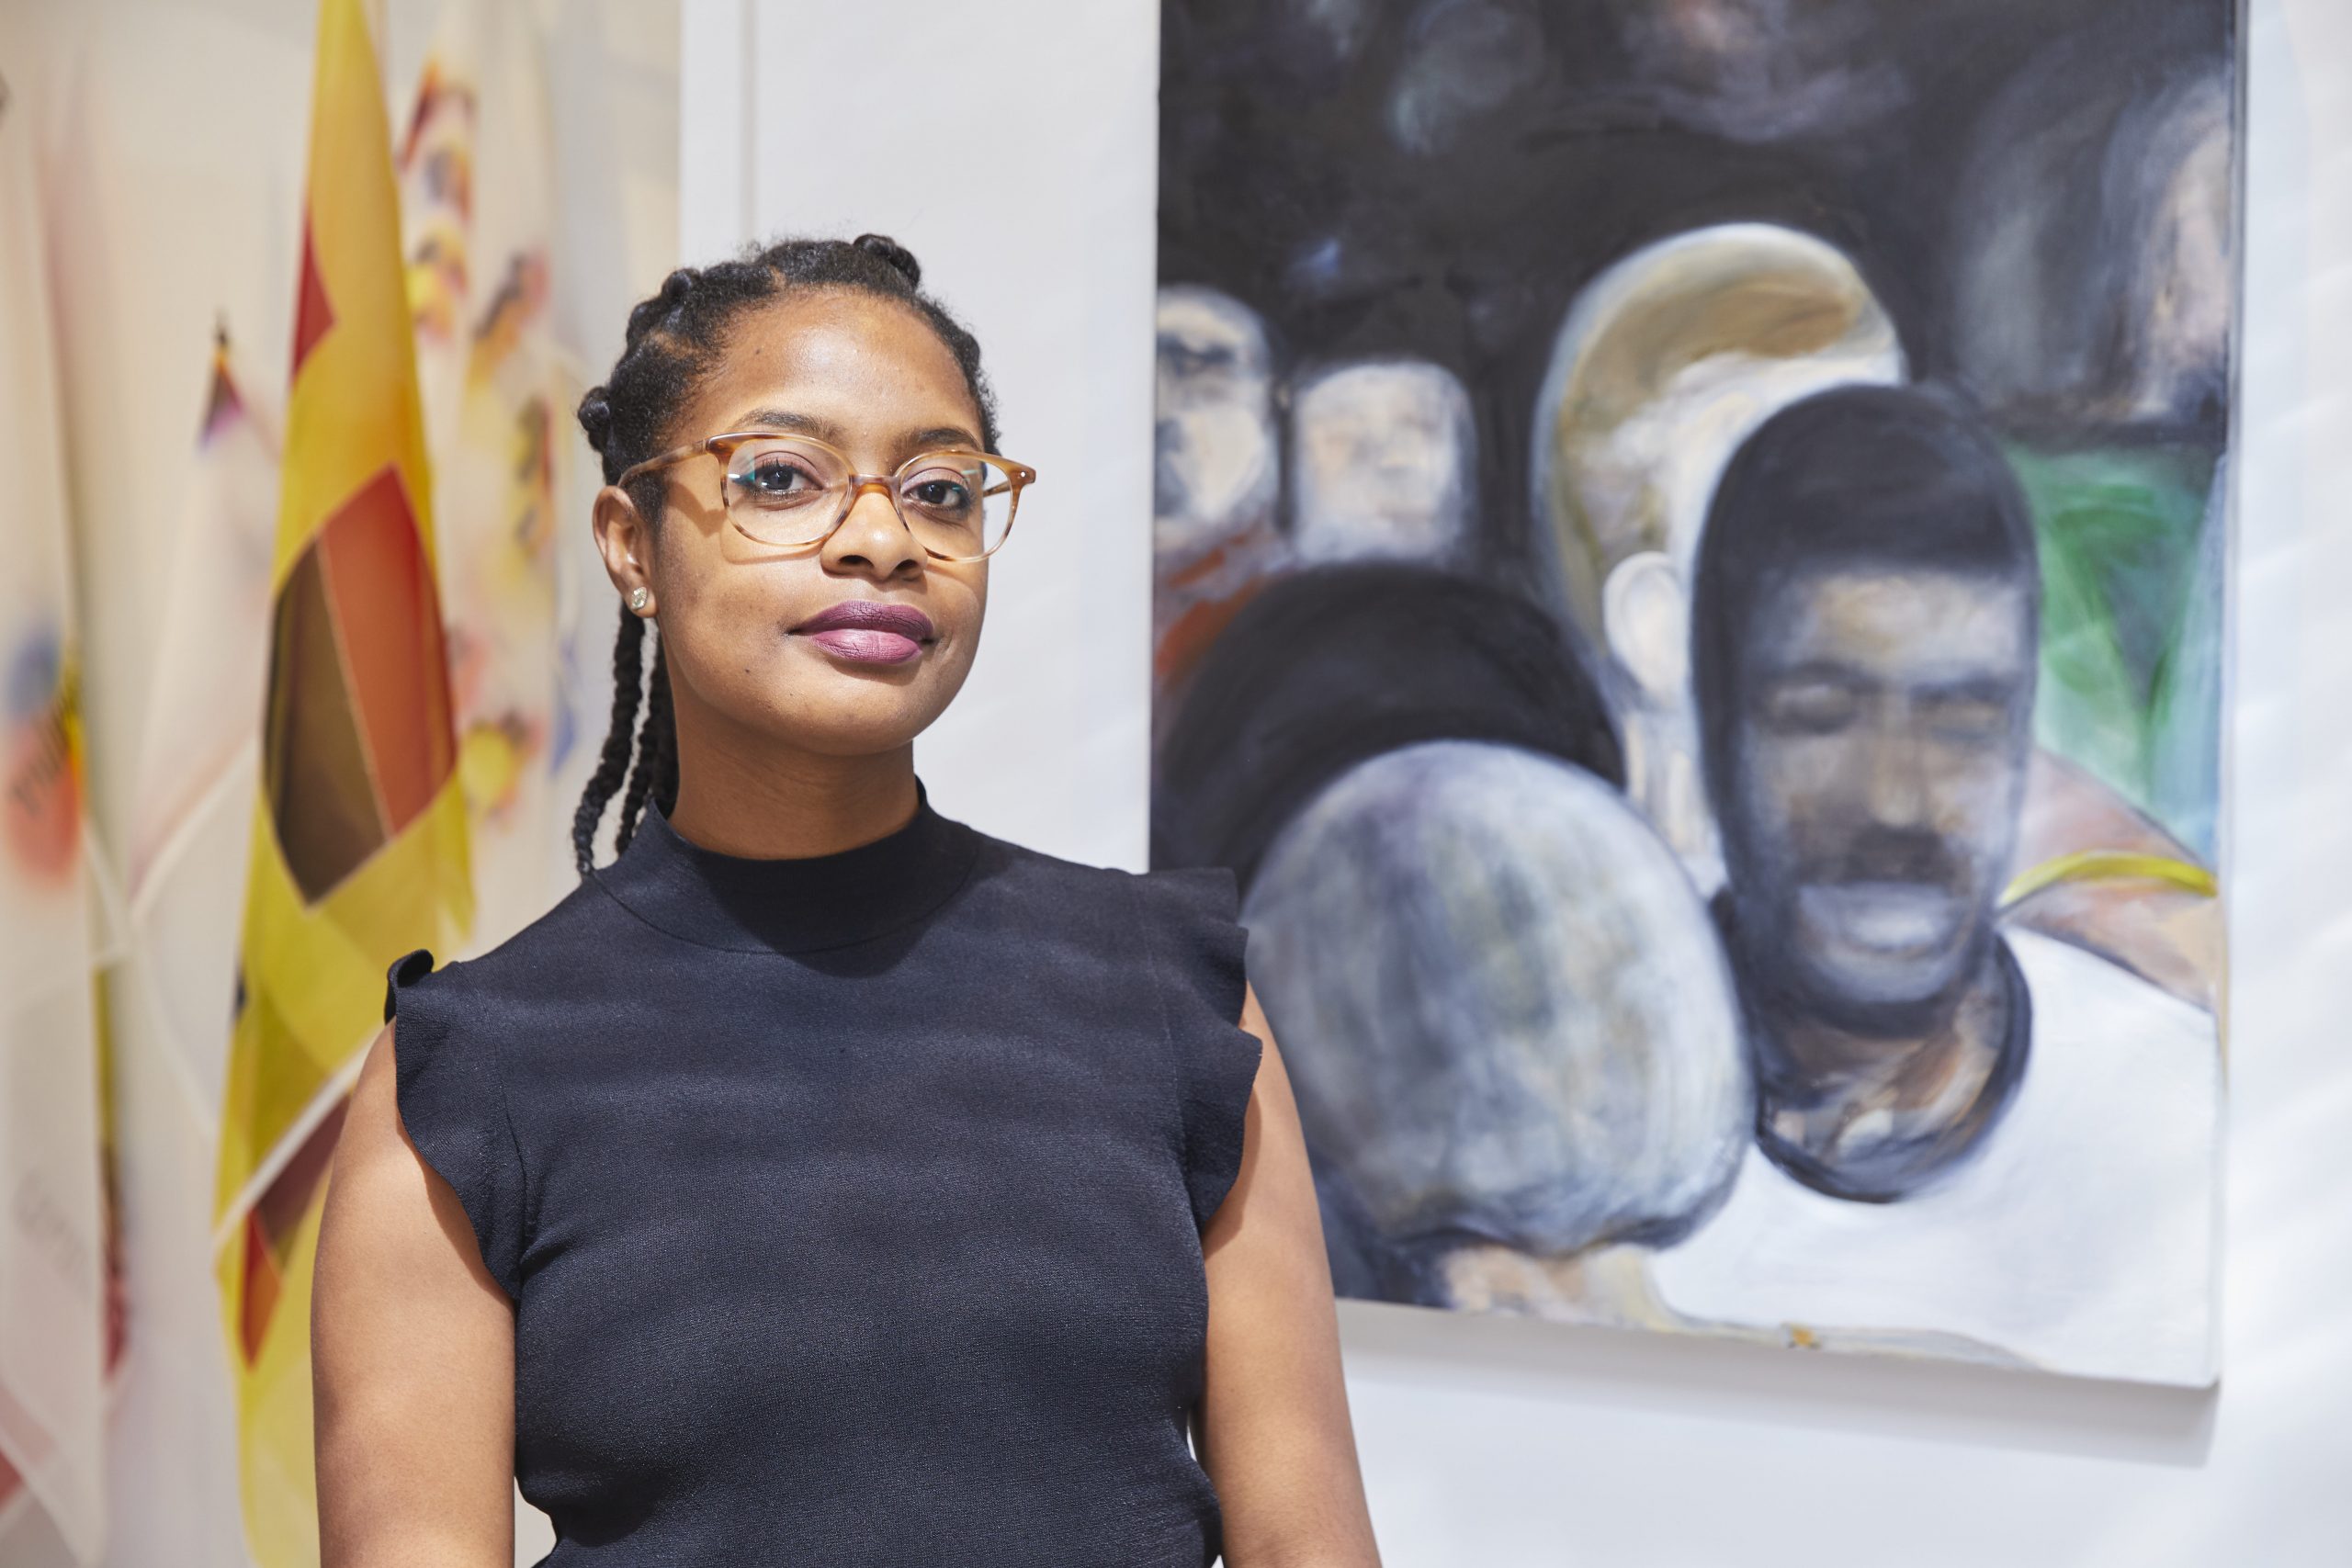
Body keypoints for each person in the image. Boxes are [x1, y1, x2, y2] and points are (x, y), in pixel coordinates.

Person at [311, 234, 1384, 1566]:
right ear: (631, 545)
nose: (882, 539)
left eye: (940, 489)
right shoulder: (473, 1073)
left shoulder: (1174, 994)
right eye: (780, 476)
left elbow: (1308, 1544)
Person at [1649, 385, 2220, 1386]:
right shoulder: (1586, 1114)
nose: (1895, 799)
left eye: (1960, 721)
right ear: (1716, 723)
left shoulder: (2168, 1123)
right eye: (1821, 715)